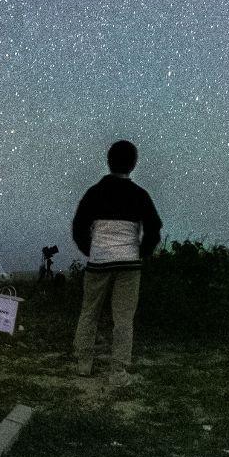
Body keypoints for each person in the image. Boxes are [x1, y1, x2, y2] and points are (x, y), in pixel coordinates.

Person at [69, 139, 162, 382]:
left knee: (89, 311)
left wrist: (92, 250)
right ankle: (118, 371)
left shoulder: (94, 192)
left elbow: (79, 227)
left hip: (98, 262)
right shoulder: (140, 195)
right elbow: (154, 228)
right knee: (123, 318)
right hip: (129, 264)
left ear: (109, 161)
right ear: (133, 164)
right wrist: (141, 253)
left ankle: (84, 363)